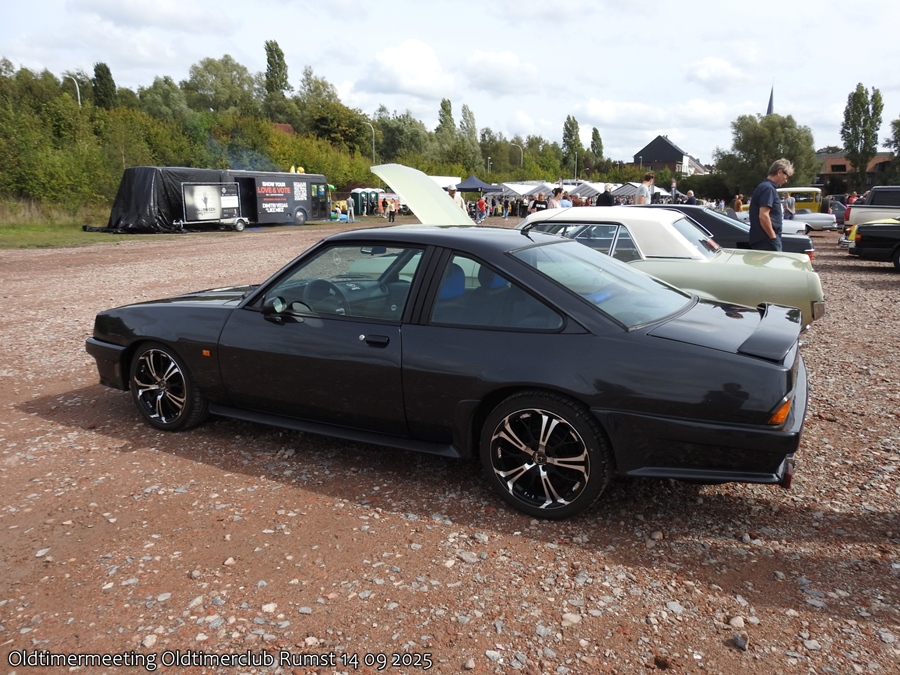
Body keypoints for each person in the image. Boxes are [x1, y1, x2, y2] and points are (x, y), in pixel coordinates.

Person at [748, 158, 793, 251]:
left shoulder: (765, 187)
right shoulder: (768, 188)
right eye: (787, 176)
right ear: (779, 172)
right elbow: (763, 216)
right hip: (766, 241)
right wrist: (773, 237)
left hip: (763, 239)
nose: (786, 180)